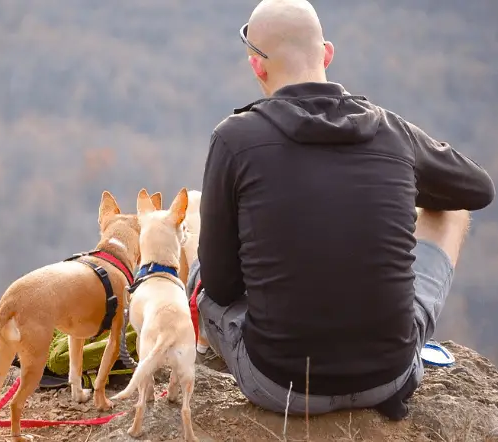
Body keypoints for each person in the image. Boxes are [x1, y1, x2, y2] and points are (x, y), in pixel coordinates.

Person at [187, 0, 495, 420]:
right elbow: (477, 189)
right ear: (327, 53)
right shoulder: (392, 131)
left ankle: (201, 353)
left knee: (196, 226)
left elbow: (221, 287)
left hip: (280, 385)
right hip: (391, 375)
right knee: (451, 210)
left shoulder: (234, 139)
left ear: (257, 66)